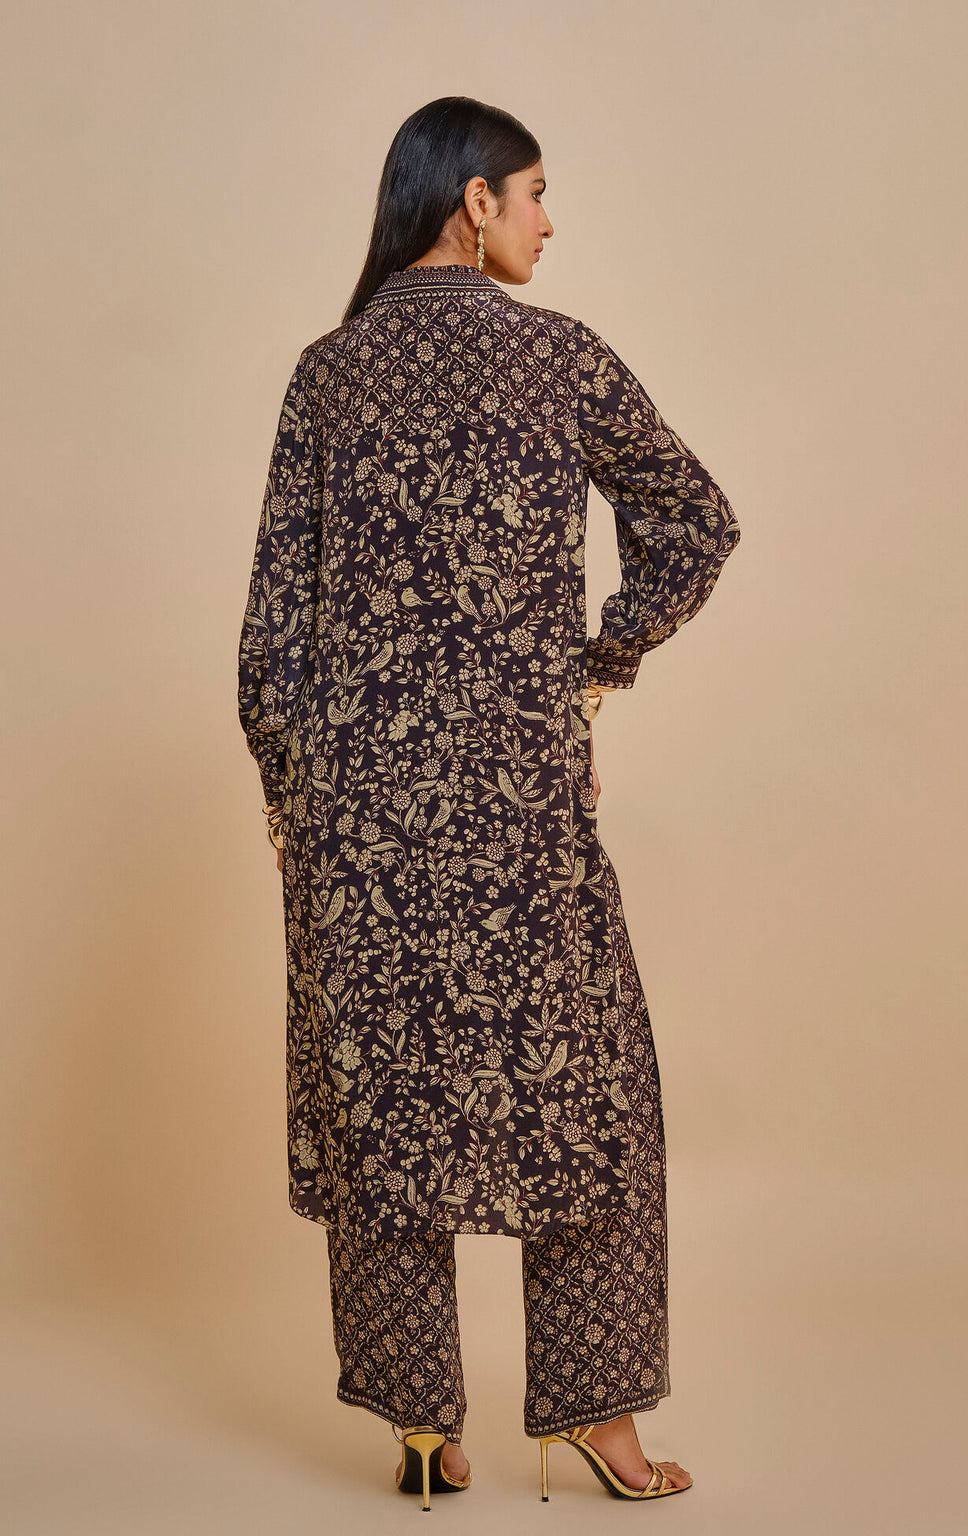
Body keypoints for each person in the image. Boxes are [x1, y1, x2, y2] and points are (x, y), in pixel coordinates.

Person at [237, 95, 741, 1508]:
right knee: (585, 1101)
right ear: (471, 201)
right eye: (531, 193)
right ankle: (592, 1418)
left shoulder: (326, 374)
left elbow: (270, 638)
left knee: (386, 1102)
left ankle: (417, 1424)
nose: (546, 219)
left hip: (357, 816)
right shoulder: (558, 358)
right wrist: (601, 660)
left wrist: (301, 807)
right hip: (517, 806)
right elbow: (697, 517)